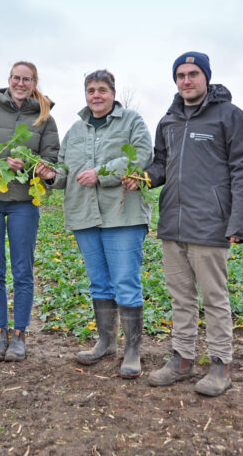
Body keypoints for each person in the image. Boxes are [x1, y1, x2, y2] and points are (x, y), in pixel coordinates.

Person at [124, 52, 243, 396]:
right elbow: (162, 166)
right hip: (173, 223)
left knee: (214, 298)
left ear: (206, 78)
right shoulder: (168, 121)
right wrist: (143, 178)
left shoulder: (230, 116)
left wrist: (238, 222)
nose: (186, 80)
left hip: (210, 224)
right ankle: (182, 360)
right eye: (180, 75)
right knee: (179, 297)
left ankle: (220, 365)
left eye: (193, 74)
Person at [36, 70, 152, 378]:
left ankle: (132, 350)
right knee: (99, 283)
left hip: (122, 215)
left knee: (126, 283)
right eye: (90, 90)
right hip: (84, 215)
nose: (96, 95)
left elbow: (141, 156)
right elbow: (62, 174)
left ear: (113, 93)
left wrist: (101, 172)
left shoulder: (132, 122)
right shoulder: (75, 131)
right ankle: (106, 342)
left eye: (102, 89)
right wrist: (49, 174)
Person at [0, 61, 59, 362]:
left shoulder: (45, 118)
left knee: (22, 270)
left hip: (23, 201)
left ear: (34, 83)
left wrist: (31, 165)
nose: (21, 83)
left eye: (27, 79)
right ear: (9, 80)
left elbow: (51, 160)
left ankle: (19, 335)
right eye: (16, 78)